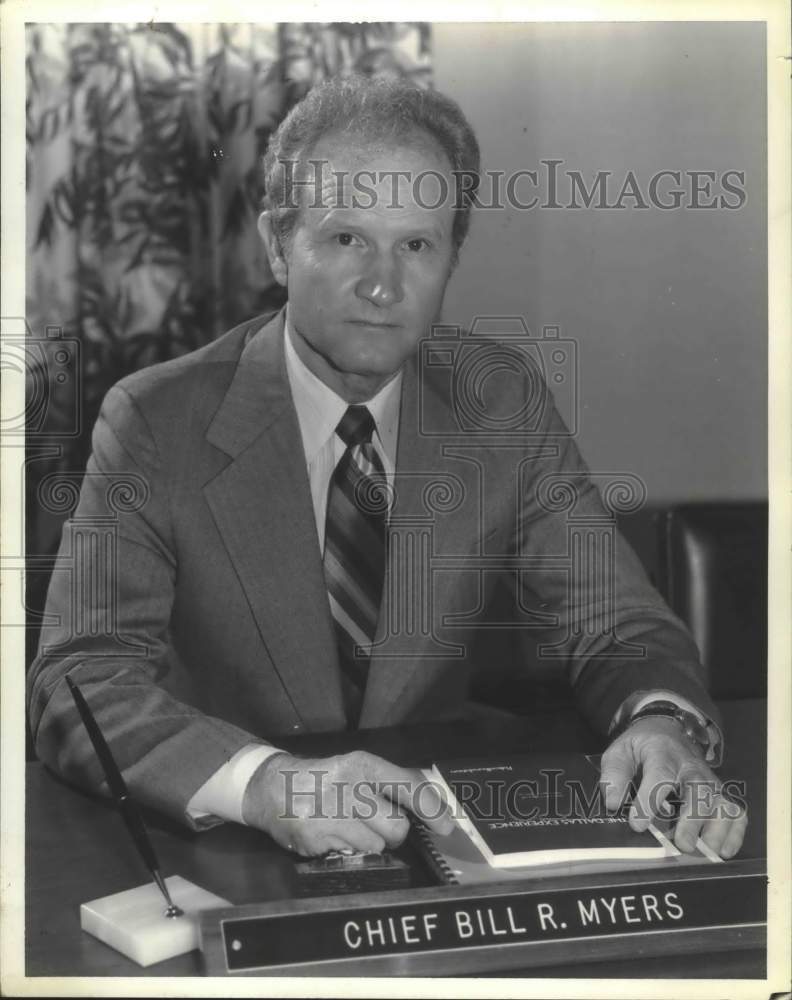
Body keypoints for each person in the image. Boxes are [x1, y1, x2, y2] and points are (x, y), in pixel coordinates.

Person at [27, 75, 746, 860]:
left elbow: (619, 625)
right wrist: (266, 784)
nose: (383, 285)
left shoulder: (500, 401)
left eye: (416, 244)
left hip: (431, 832)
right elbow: (80, 680)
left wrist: (660, 721)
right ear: (277, 244)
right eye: (346, 239)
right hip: (226, 843)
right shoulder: (155, 420)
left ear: (451, 257)